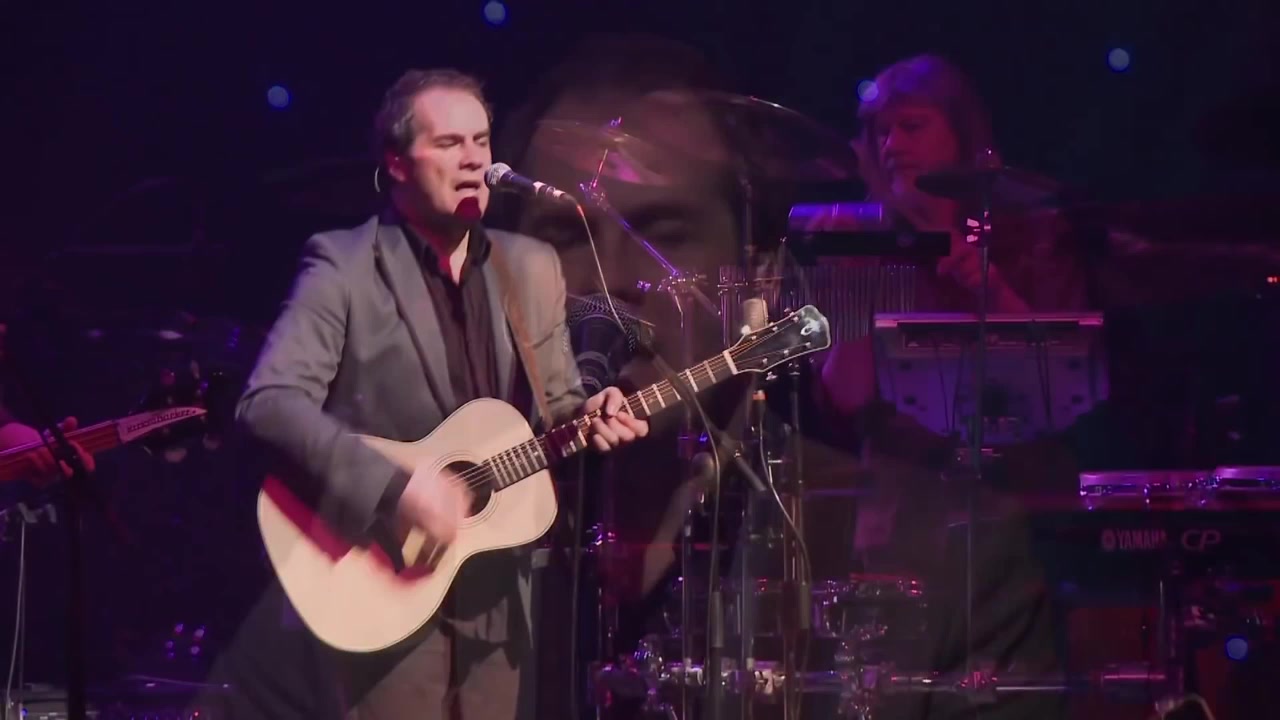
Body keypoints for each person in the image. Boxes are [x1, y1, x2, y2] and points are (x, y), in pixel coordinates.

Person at [213, 68, 648, 720]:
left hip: (497, 600)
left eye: (481, 140)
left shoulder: (531, 266)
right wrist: (398, 488)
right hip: (381, 581)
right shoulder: (344, 265)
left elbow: (556, 405)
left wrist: (591, 412)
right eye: (449, 143)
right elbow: (269, 402)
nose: (474, 159)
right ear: (396, 162)